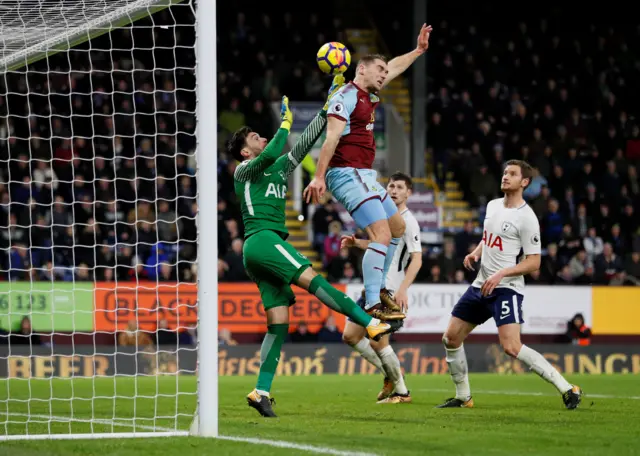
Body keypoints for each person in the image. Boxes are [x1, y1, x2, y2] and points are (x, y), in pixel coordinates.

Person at [229, 78, 402, 418]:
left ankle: (261, 390)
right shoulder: (244, 170)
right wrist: (284, 124)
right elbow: (275, 147)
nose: (263, 140)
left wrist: (328, 104)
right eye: (255, 139)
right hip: (263, 240)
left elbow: (306, 142)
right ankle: (372, 324)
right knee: (317, 283)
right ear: (246, 152)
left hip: (263, 250)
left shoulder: (277, 168)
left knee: (278, 325)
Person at [303, 24, 433, 320]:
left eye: (385, 73)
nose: (385, 76)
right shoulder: (345, 96)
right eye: (380, 71)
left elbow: (396, 67)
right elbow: (331, 139)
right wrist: (320, 176)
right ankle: (373, 301)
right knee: (382, 234)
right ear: (361, 70)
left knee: (397, 228)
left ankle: (381, 289)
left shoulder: (368, 93)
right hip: (346, 174)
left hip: (365, 175)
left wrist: (418, 50)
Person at [437, 160, 583, 410]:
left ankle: (568, 388)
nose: (505, 177)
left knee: (511, 347)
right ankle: (464, 397)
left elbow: (534, 262)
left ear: (524, 182)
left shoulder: (527, 218)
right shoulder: (493, 206)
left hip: (506, 288)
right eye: (505, 172)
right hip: (481, 285)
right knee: (450, 338)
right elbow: (489, 237)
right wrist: (476, 252)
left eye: (512, 174)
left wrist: (502, 273)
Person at [340, 172, 423, 404]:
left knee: (378, 340)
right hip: (373, 285)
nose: (393, 190)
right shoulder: (385, 217)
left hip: (388, 288)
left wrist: (404, 288)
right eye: (390, 186)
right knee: (351, 336)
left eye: (399, 187)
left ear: (409, 193)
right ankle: (390, 374)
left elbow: (417, 258)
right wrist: (357, 243)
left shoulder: (408, 221)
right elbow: (381, 244)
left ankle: (402, 391)